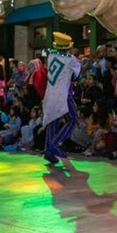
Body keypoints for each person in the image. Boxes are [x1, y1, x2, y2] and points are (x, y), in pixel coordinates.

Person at [42, 33, 82, 164]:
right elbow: (76, 76)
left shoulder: (51, 56)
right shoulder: (71, 60)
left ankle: (48, 151)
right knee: (73, 118)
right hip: (63, 94)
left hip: (49, 93)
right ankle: (54, 144)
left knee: (53, 121)